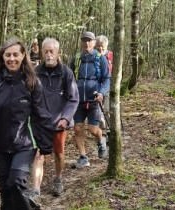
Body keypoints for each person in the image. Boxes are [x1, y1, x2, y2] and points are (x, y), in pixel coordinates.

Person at [0, 37, 54, 210]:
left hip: (25, 143)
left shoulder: (32, 82)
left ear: (23, 55)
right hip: (1, 145)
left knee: (16, 182)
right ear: (2, 57)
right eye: (7, 55)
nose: (11, 59)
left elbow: (42, 113)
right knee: (6, 192)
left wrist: (45, 145)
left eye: (15, 54)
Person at [29, 38, 79, 197]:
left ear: (58, 53)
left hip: (59, 122)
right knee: (38, 154)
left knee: (58, 153)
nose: (49, 55)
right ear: (42, 53)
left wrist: (65, 118)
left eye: (52, 51)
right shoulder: (35, 73)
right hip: (39, 122)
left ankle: (58, 178)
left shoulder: (66, 73)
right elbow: (28, 95)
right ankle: (35, 189)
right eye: (46, 51)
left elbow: (73, 98)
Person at [70, 31, 110, 168]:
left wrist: (102, 92)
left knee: (93, 129)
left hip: (94, 100)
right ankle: (83, 156)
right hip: (78, 99)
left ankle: (101, 140)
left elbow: (106, 79)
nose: (87, 43)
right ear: (81, 42)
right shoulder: (76, 59)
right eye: (84, 40)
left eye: (89, 41)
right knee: (77, 128)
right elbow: (69, 77)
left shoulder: (100, 58)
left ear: (94, 43)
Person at [95, 35, 114, 129]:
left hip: (108, 84)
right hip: (97, 84)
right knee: (97, 106)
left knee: (107, 108)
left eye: (102, 46)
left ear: (106, 45)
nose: (100, 48)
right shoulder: (93, 55)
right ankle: (100, 126)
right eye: (98, 45)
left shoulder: (111, 55)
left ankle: (107, 128)